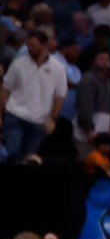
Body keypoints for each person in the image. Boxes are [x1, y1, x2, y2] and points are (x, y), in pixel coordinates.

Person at [3, 27, 68, 162]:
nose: (30, 49)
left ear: (44, 45)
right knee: (13, 152)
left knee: (30, 157)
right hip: (15, 113)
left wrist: (52, 119)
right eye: (28, 45)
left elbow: (60, 95)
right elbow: (6, 89)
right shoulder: (18, 63)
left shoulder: (58, 68)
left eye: (34, 46)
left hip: (39, 119)